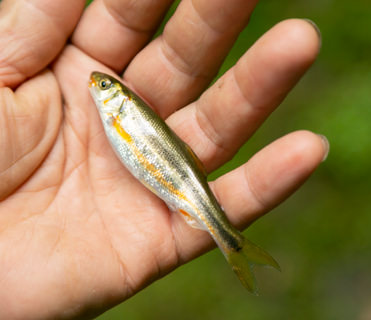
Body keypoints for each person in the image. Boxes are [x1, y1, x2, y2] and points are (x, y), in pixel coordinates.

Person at [0, 0, 328, 318]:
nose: (96, 85)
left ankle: (232, 243)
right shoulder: (115, 111)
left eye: (103, 86)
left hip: (182, 186)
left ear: (118, 98)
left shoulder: (120, 111)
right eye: (103, 85)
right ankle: (233, 244)